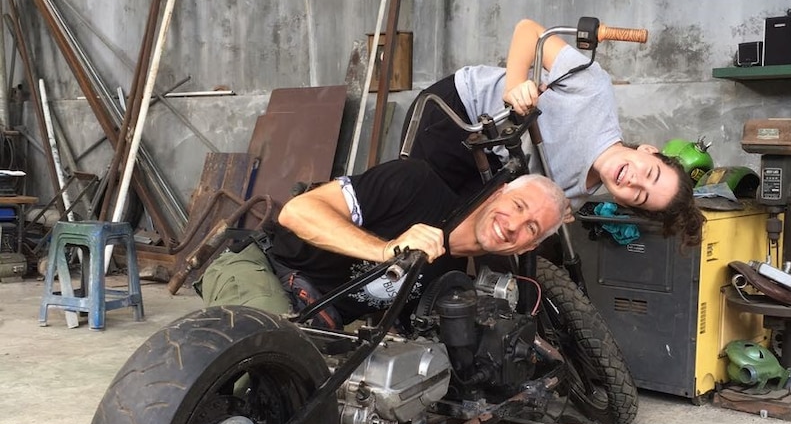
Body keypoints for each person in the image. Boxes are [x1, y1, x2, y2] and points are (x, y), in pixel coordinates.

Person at [402, 18, 704, 247]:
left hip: (492, 165)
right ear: (648, 151)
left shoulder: (573, 197)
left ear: (625, 204)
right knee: (416, 213)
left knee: (456, 239)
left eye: (639, 196)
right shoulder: (593, 90)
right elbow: (529, 31)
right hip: (457, 113)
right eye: (649, 173)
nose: (634, 181)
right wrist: (514, 88)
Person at [197, 158, 568, 328]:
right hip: (265, 267)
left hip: (318, 319)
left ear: (524, 249)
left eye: (531, 228)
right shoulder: (414, 184)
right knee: (266, 350)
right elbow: (297, 211)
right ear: (497, 193)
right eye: (517, 206)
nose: (514, 225)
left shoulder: (450, 278)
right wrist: (385, 250)